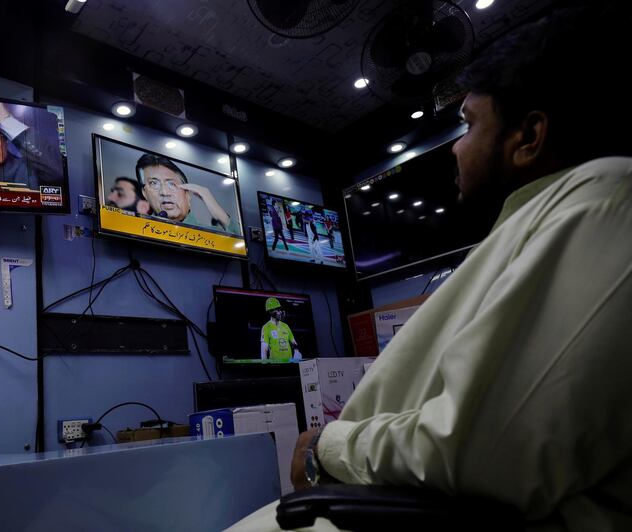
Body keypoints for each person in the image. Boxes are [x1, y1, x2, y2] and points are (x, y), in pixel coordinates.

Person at [229, 4, 632, 531]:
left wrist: (329, 448)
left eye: (467, 126)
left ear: (528, 137)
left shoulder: (603, 198)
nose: (456, 150)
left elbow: (494, 447)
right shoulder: (539, 227)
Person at [135, 153, 241, 234]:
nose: (164, 192)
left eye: (172, 184)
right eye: (154, 183)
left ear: (187, 195)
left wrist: (218, 211)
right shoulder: (137, 230)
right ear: (145, 193)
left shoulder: (214, 234)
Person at [260, 298, 301, 362]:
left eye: (280, 310)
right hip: (275, 364)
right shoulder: (266, 327)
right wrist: (264, 363)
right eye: (278, 310)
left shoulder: (285, 326)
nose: (280, 312)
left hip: (289, 363)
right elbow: (264, 349)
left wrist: (297, 352)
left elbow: (293, 342)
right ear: (270, 311)